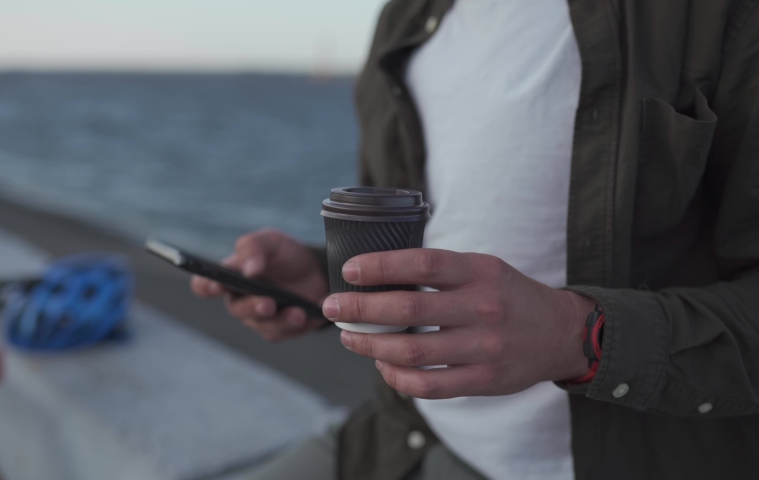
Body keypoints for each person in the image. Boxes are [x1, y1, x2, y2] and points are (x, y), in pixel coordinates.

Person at [191, 0, 759, 478]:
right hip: (402, 439)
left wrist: (577, 335)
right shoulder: (407, 18)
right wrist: (326, 281)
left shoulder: (714, 16)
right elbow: (444, 234)